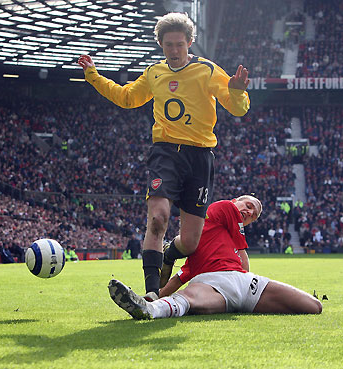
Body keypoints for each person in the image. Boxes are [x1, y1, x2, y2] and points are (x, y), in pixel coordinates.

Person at [78, 12, 250, 299]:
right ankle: (151, 294)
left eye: (179, 44)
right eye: (168, 45)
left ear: (190, 43)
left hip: (200, 156)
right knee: (158, 218)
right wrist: (93, 76)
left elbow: (238, 109)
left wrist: (237, 93)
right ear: (160, 44)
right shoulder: (154, 73)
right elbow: (127, 98)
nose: (174, 51)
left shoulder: (207, 70)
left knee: (191, 242)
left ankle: (171, 252)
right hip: (166, 152)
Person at [108, 195, 322, 319]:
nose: (249, 213)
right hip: (216, 283)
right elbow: (242, 255)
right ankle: (148, 309)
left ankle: (153, 305)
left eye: (254, 215)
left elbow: (181, 276)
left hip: (244, 283)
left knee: (314, 306)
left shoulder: (215, 236)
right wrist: (155, 296)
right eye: (248, 206)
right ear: (236, 200)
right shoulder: (226, 207)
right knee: (184, 301)